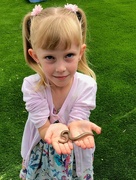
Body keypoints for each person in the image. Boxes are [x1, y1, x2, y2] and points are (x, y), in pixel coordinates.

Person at [19, 4, 101, 180]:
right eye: (50, 57)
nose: (61, 68)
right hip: (42, 151)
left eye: (69, 55)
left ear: (80, 52)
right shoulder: (32, 87)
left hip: (73, 151)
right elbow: (43, 129)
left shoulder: (87, 85)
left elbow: (77, 120)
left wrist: (75, 125)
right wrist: (51, 130)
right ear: (35, 56)